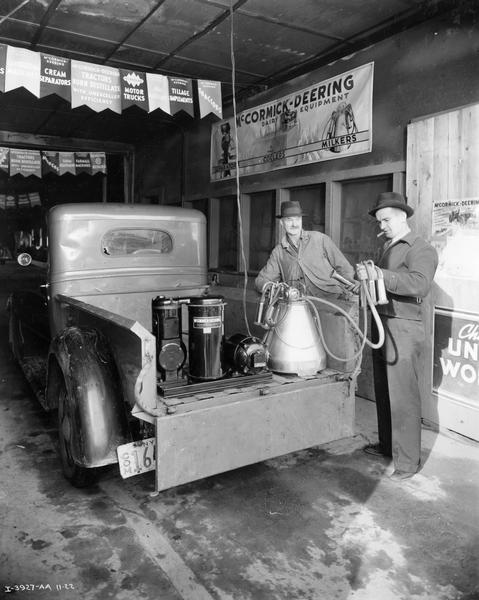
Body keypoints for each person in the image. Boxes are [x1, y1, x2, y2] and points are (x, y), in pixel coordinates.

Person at [361, 191, 438, 481]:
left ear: (403, 216)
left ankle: (407, 463)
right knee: (384, 390)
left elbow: (419, 285)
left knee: (403, 396)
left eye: (387, 219)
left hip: (404, 328)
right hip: (383, 324)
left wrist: (380, 275)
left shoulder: (421, 248)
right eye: (379, 221)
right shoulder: (388, 247)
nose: (382, 226)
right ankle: (386, 446)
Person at [254, 200, 356, 297]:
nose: (294, 224)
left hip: (332, 298)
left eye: (297, 219)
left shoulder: (320, 239)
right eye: (289, 220)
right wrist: (272, 289)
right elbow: (261, 280)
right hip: (300, 305)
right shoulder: (278, 252)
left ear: (301, 220)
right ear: (281, 223)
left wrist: (349, 288)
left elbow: (344, 267)